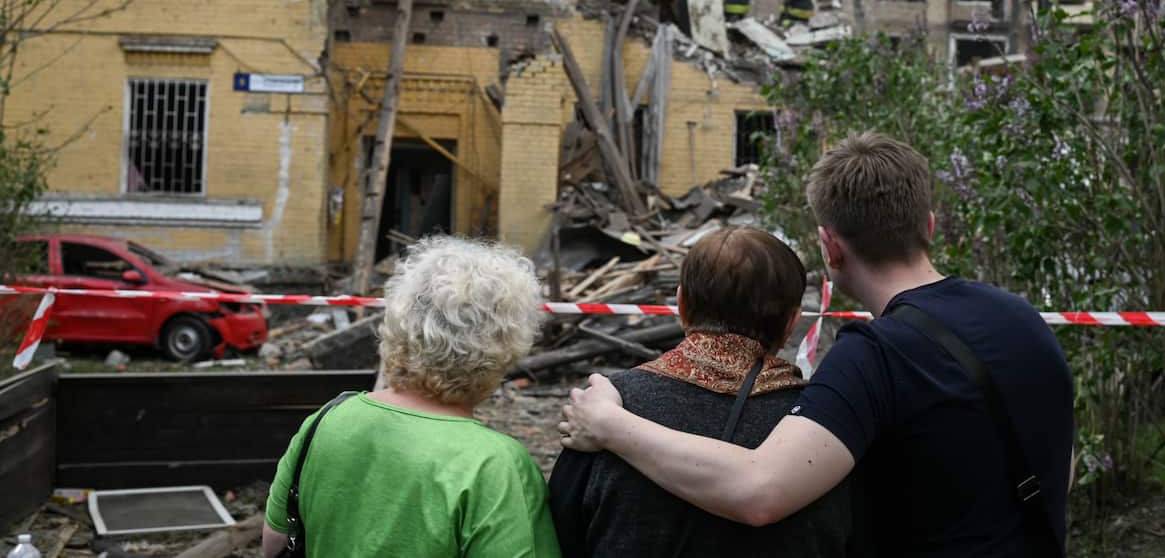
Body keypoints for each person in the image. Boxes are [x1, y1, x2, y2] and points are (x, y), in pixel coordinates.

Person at [560, 133, 1074, 557]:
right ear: (930, 227)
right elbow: (1060, 463)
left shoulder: (876, 353)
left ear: (830, 247)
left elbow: (760, 491)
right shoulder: (1024, 320)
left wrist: (610, 424)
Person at [548, 226, 862, 558]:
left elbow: (559, 532)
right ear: (791, 323)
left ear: (681, 305)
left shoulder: (603, 406)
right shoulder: (821, 425)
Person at [262, 236, 561, 557]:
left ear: (399, 323)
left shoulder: (326, 421)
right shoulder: (497, 466)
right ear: (505, 348)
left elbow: (274, 544)